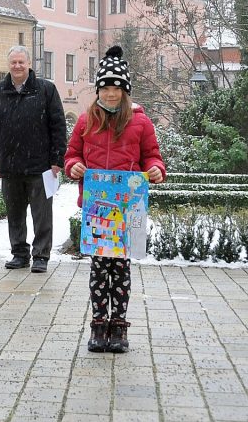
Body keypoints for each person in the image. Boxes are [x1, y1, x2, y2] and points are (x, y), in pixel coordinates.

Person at [64, 46, 165, 353]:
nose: (110, 94)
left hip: (127, 207)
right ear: (98, 91)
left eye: (116, 88)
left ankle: (118, 326)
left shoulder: (141, 122)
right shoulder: (85, 121)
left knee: (120, 269)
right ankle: (98, 324)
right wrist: (73, 167)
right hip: (96, 209)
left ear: (125, 91)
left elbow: (152, 156)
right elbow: (71, 154)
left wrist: (156, 169)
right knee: (98, 269)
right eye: (105, 88)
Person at [0, 44, 66, 273]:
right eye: (13, 62)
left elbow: (58, 126)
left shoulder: (46, 90)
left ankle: (41, 255)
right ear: (8, 65)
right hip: (9, 166)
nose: (17, 66)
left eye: (21, 62)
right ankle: (19, 253)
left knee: (42, 216)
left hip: (41, 166)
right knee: (15, 215)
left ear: (29, 64)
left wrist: (57, 159)